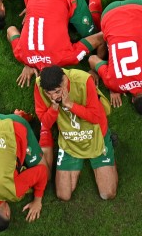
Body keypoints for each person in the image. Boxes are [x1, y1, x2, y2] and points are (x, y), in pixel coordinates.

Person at [5, 0, 107, 88]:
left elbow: (100, 37)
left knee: (93, 32)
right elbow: (11, 30)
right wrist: (27, 62)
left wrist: (96, 68)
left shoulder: (66, 57)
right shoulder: (21, 55)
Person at [34, 66, 117, 201]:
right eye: (49, 94)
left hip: (94, 132)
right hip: (70, 138)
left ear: (65, 81)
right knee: (63, 195)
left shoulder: (84, 80)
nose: (54, 97)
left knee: (108, 193)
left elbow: (95, 117)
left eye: (57, 91)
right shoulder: (39, 85)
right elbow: (46, 123)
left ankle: (108, 143)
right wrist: (54, 107)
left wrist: (70, 105)